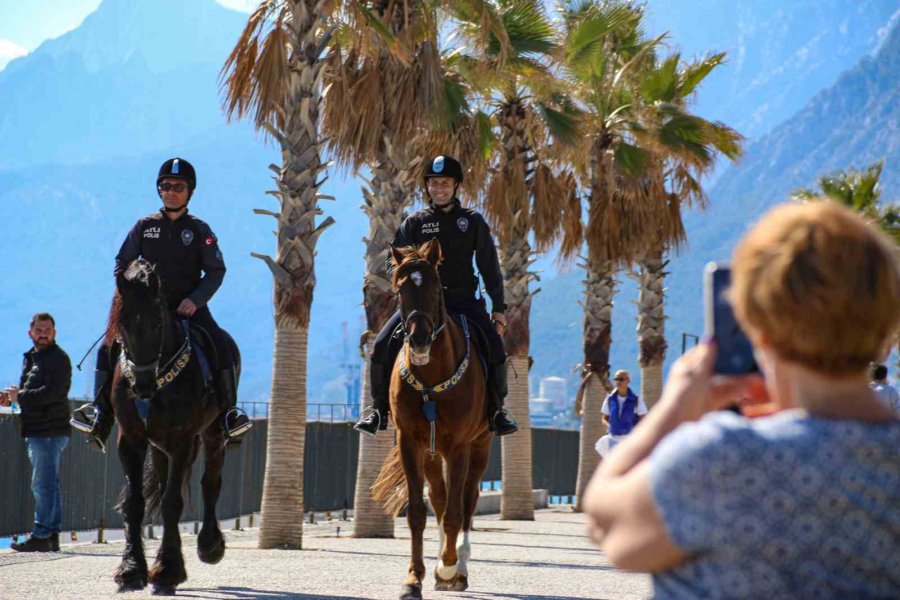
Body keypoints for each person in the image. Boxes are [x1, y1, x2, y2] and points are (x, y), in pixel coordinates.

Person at [583, 200, 900, 599]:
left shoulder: (726, 458)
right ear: (885, 339)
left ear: (761, 332)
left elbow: (605, 520)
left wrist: (677, 406)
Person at [70, 158, 250, 452]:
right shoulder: (144, 226)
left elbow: (216, 271)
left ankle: (229, 414)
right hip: (146, 308)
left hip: (188, 307)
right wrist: (132, 289)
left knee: (221, 344)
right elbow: (121, 263)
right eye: (165, 186)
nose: (171, 191)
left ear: (190, 191)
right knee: (107, 346)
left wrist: (196, 300)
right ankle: (99, 414)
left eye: (178, 187)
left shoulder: (199, 230)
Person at [354, 155, 518, 437]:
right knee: (381, 345)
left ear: (456, 186)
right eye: (433, 183)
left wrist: (498, 308)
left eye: (444, 183)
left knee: (494, 347)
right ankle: (378, 409)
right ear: (426, 187)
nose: (439, 189)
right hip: (422, 304)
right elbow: (398, 261)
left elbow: (490, 267)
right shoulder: (415, 222)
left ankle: (496, 410)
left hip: (464, 301)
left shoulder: (472, 221)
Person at [0, 313, 71, 552]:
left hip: (49, 430)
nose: (43, 334)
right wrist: (12, 397)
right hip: (38, 429)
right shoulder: (34, 358)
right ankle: (50, 535)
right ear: (30, 333)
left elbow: (53, 393)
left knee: (42, 485)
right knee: (49, 484)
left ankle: (42, 534)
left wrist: (19, 397)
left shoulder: (58, 359)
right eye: (39, 330)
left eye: (47, 330)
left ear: (54, 332)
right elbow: (36, 390)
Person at [595, 370, 648, 458]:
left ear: (628, 381)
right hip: (613, 439)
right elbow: (604, 418)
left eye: (621, 379)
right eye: (616, 379)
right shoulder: (610, 398)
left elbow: (643, 418)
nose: (618, 381)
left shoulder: (636, 399)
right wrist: (609, 426)